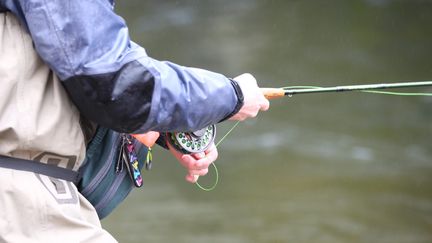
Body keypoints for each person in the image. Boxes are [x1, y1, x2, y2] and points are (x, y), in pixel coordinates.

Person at [0, 1, 269, 242]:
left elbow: (78, 77)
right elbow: (113, 83)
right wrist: (230, 96)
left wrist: (165, 127)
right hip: (20, 204)